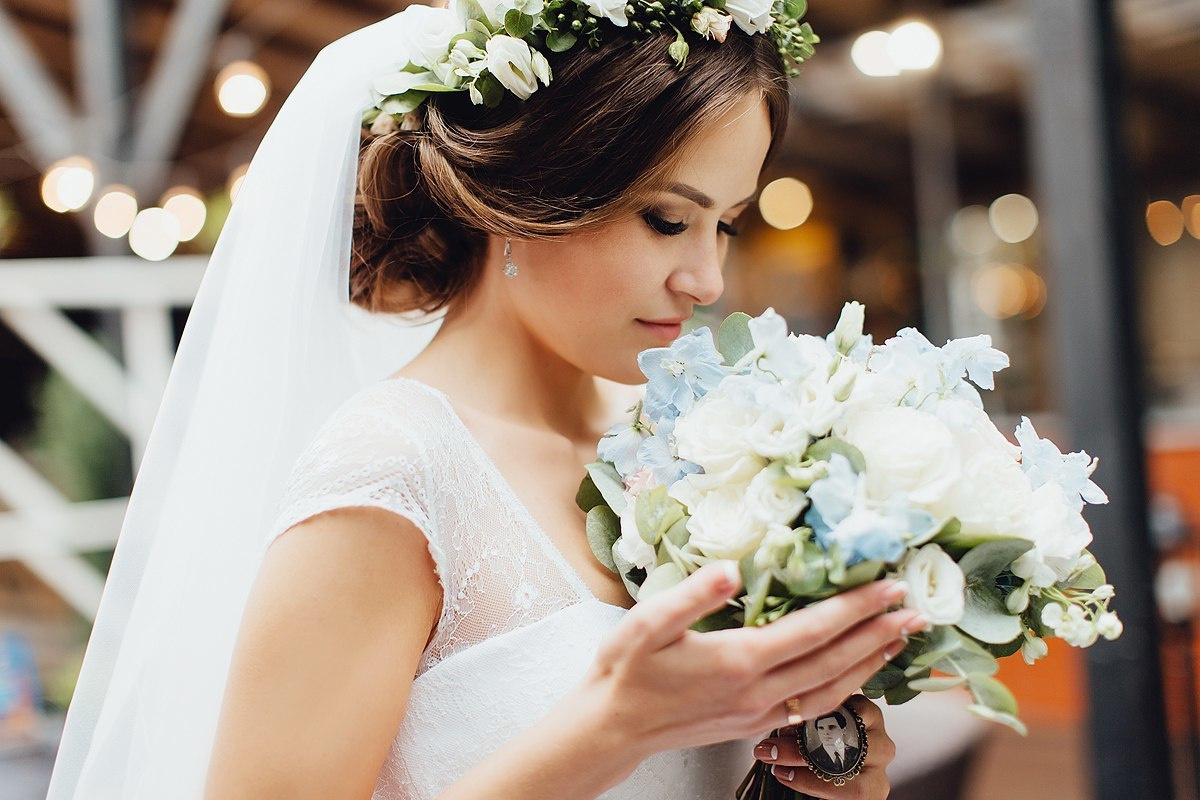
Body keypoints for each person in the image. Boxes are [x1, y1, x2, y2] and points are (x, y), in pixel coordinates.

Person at [46, 1, 928, 798]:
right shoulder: (392, 473)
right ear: (522, 195)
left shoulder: (689, 447)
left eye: (726, 223)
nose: (706, 278)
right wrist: (612, 729)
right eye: (667, 218)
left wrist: (821, 772)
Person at [807, 711, 863, 775]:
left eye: (831, 727)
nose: (826, 733)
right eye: (821, 728)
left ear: (843, 730)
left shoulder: (855, 752)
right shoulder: (814, 756)